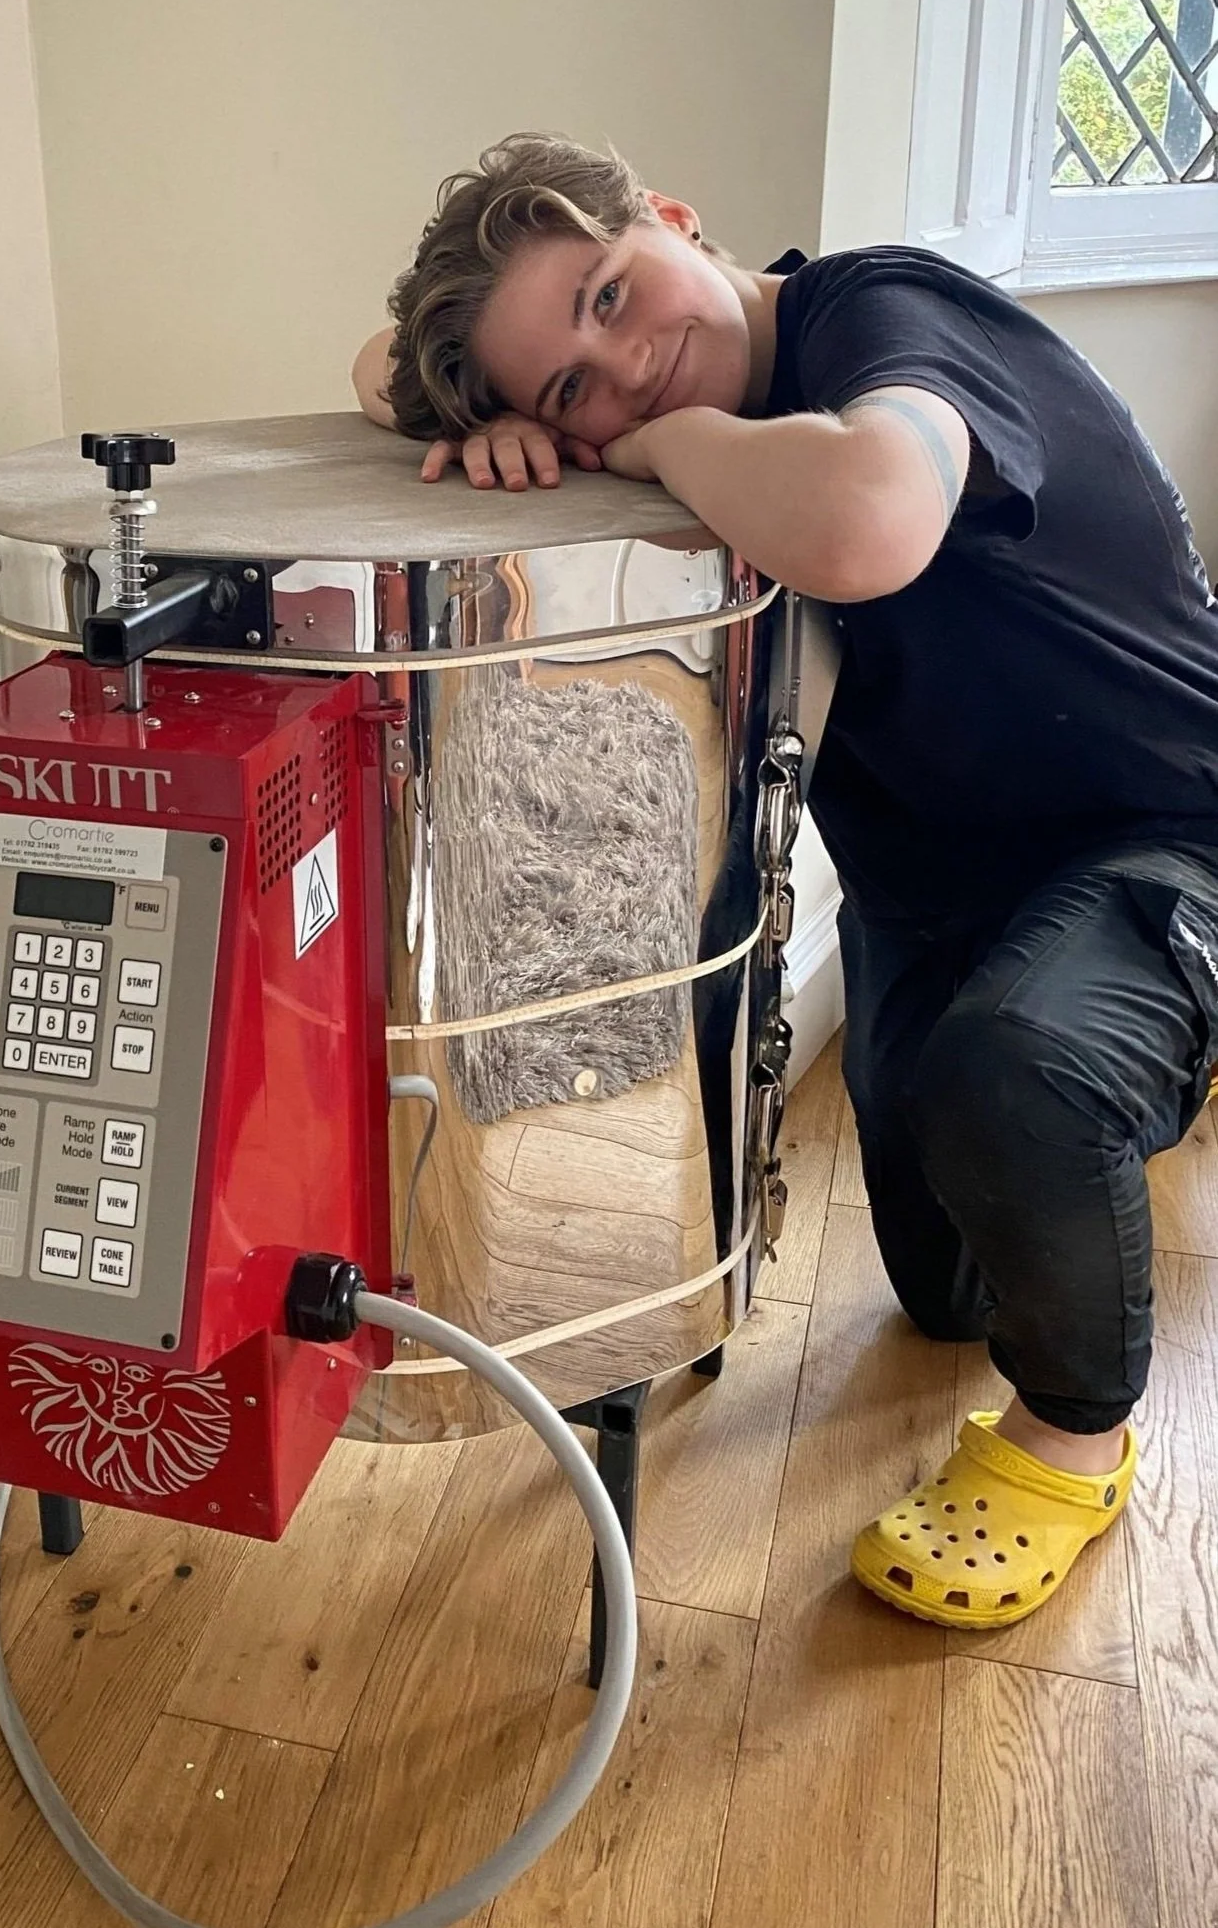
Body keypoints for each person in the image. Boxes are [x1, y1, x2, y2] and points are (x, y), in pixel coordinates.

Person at [351, 132, 1218, 1632]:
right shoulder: (681, 380)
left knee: (1016, 1078)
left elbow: (866, 521)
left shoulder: (887, 316)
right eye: (568, 384)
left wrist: (639, 443)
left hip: (1164, 824)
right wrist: (473, 405)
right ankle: (1092, 1049)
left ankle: (1076, 1434)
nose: (622, 367)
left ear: (676, 216)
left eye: (615, 295)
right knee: (948, 1291)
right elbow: (378, 360)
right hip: (944, 896)